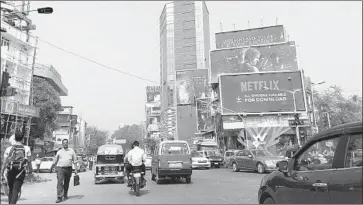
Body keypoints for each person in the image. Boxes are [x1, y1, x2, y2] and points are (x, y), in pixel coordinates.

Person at [1, 129, 32, 204]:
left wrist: (2, 172)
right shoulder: (26, 148)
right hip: (20, 171)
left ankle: (10, 203)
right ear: (22, 138)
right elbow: (29, 161)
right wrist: (30, 170)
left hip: (10, 171)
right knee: (16, 189)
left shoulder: (8, 149)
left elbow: (4, 162)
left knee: (11, 189)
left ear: (14, 138)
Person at [51, 139, 78, 203]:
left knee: (66, 182)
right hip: (60, 168)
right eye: (64, 143)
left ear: (68, 143)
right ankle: (59, 197)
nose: (65, 144)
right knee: (60, 182)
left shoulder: (71, 151)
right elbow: (55, 160)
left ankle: (65, 194)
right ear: (62, 144)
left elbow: (75, 161)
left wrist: (76, 170)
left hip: (69, 168)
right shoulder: (59, 151)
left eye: (66, 143)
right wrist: (52, 167)